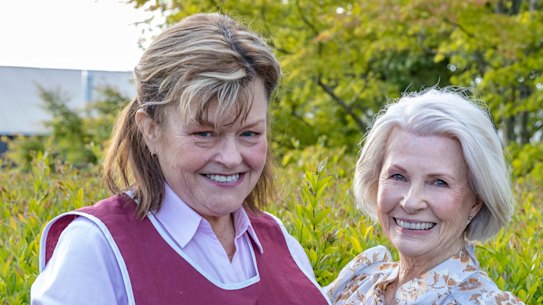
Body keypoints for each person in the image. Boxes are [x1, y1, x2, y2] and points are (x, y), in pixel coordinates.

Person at [31, 13, 331, 305]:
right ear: (150, 130)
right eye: (204, 133)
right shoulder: (97, 248)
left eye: (249, 134)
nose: (230, 158)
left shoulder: (280, 241)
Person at [325, 88, 524, 304]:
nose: (411, 202)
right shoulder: (357, 282)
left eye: (439, 182)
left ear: (476, 201)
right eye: (398, 176)